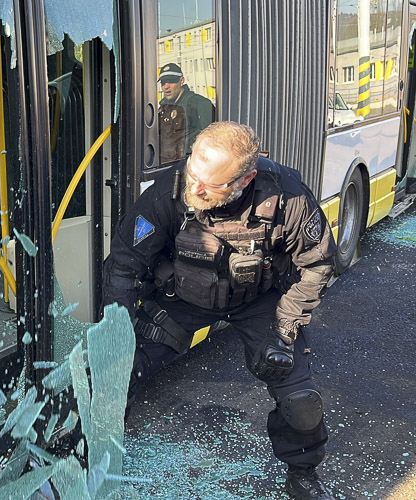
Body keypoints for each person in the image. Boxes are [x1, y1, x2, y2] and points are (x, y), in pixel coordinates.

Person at [103, 122, 337, 499]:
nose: (194, 188)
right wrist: (116, 332)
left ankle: (303, 474)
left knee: (301, 401)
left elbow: (318, 265)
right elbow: (124, 264)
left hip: (260, 305)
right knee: (110, 370)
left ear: (245, 180)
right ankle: (98, 453)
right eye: (193, 171)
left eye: (210, 185)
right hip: (183, 299)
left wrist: (286, 329)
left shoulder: (288, 198)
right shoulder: (172, 188)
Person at [157, 62, 215, 163]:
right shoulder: (164, 106)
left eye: (171, 81)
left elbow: (208, 142)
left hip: (188, 164)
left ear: (182, 81)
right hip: (165, 163)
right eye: (163, 82)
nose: (166, 86)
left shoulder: (198, 104)